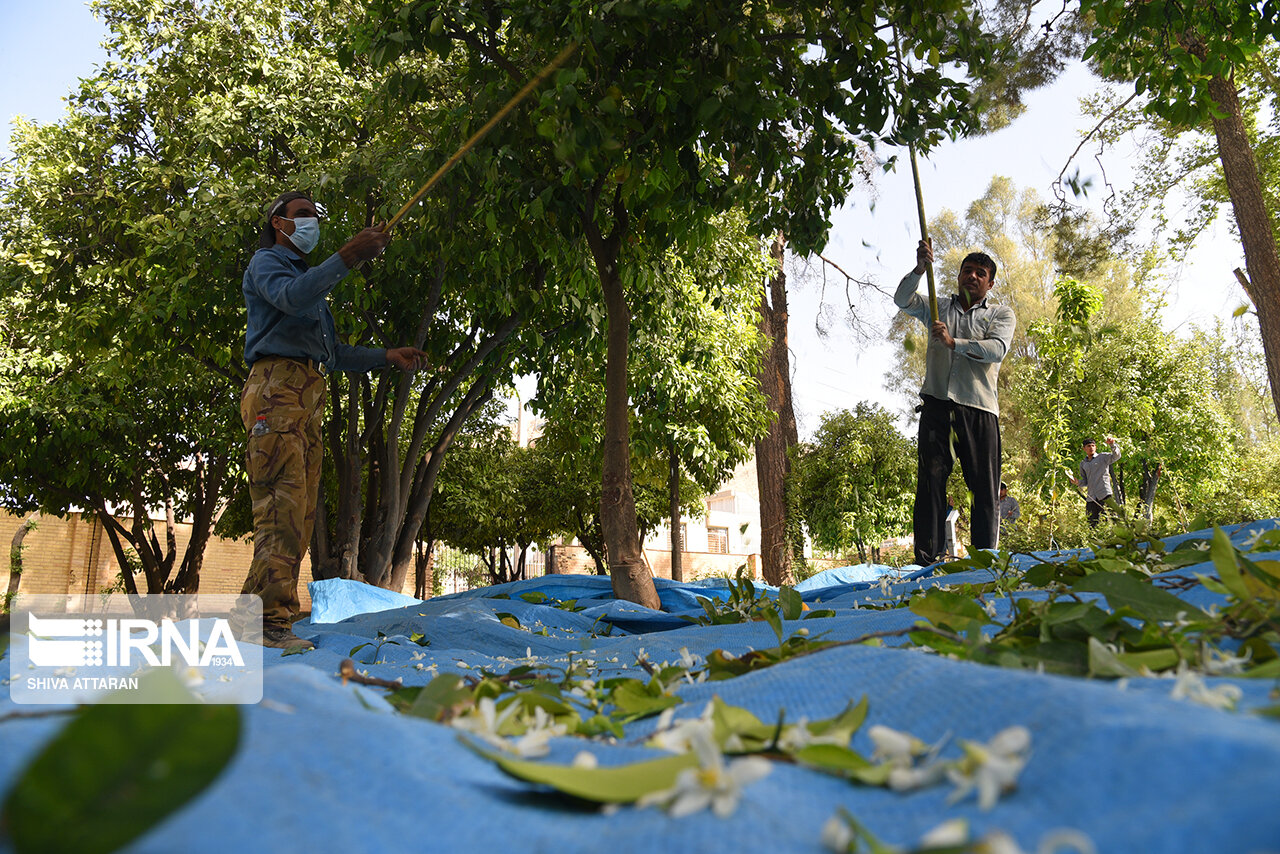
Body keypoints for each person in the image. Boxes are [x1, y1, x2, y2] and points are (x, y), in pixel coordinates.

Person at [241, 191, 427, 649]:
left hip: (304, 398)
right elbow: (291, 298)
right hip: (277, 391)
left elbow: (333, 354)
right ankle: (266, 625)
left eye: (315, 217)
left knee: (298, 518)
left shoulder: (310, 282)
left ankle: (251, 620)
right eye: (303, 215)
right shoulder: (268, 264)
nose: (312, 222)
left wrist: (387, 356)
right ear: (277, 222)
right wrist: (347, 256)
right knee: (281, 514)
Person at [896, 240, 1016, 566]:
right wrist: (920, 269)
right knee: (931, 483)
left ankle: (985, 562)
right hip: (936, 406)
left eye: (981, 273)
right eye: (968, 271)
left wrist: (954, 343)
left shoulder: (1000, 314)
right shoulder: (938, 307)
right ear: (959, 275)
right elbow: (902, 299)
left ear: (990, 283)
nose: (973, 277)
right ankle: (927, 563)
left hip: (979, 410)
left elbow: (996, 350)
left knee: (984, 489)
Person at [1069, 437, 1123, 528]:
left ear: (1096, 447)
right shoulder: (1083, 464)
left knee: (1108, 521)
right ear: (1084, 449)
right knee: (1091, 523)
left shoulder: (1102, 457)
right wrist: (1077, 482)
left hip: (1104, 494)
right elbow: (1085, 481)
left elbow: (1117, 456)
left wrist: (1112, 444)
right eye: (1089, 446)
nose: (1091, 448)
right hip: (1091, 497)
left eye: (1093, 446)